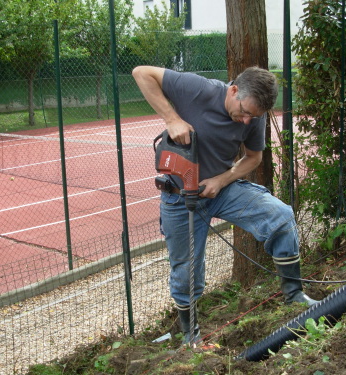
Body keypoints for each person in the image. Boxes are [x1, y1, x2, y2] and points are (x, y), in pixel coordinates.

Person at [132, 65, 318, 345]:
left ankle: (295, 297)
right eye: (244, 112)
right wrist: (172, 119)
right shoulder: (196, 89)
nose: (246, 121)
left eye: (253, 117)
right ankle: (190, 337)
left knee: (280, 217)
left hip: (221, 191)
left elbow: (253, 158)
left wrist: (221, 180)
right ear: (233, 91)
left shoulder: (253, 117)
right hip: (180, 197)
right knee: (186, 272)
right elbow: (141, 72)